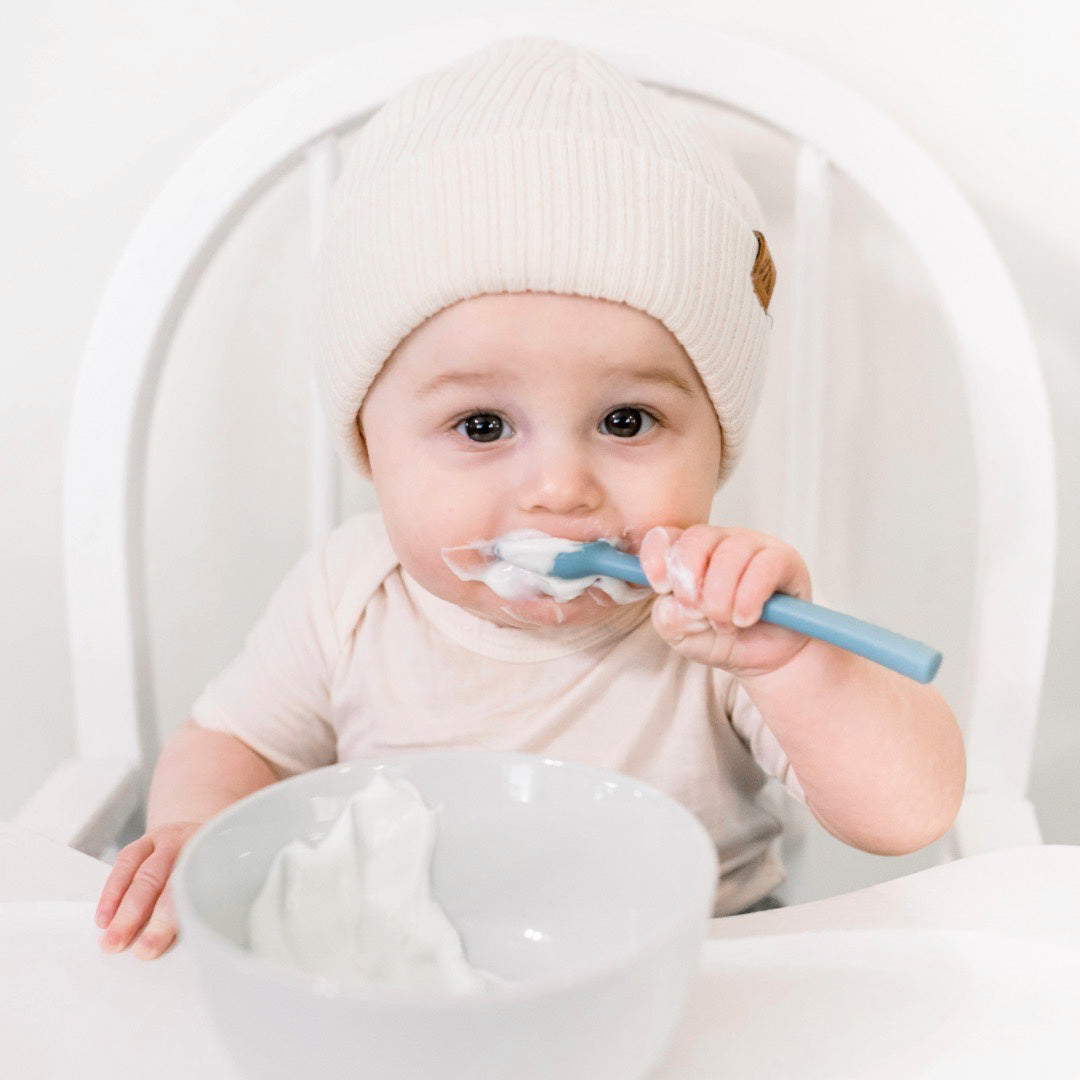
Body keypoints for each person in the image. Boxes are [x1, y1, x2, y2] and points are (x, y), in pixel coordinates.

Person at [95, 35, 965, 960]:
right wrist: (201, 833)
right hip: (402, 988)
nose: (559, 488)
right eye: (481, 427)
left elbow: (908, 813)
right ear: (368, 446)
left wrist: (791, 664)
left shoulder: (717, 621)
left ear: (718, 442)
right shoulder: (349, 594)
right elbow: (233, 745)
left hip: (690, 991)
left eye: (627, 421)